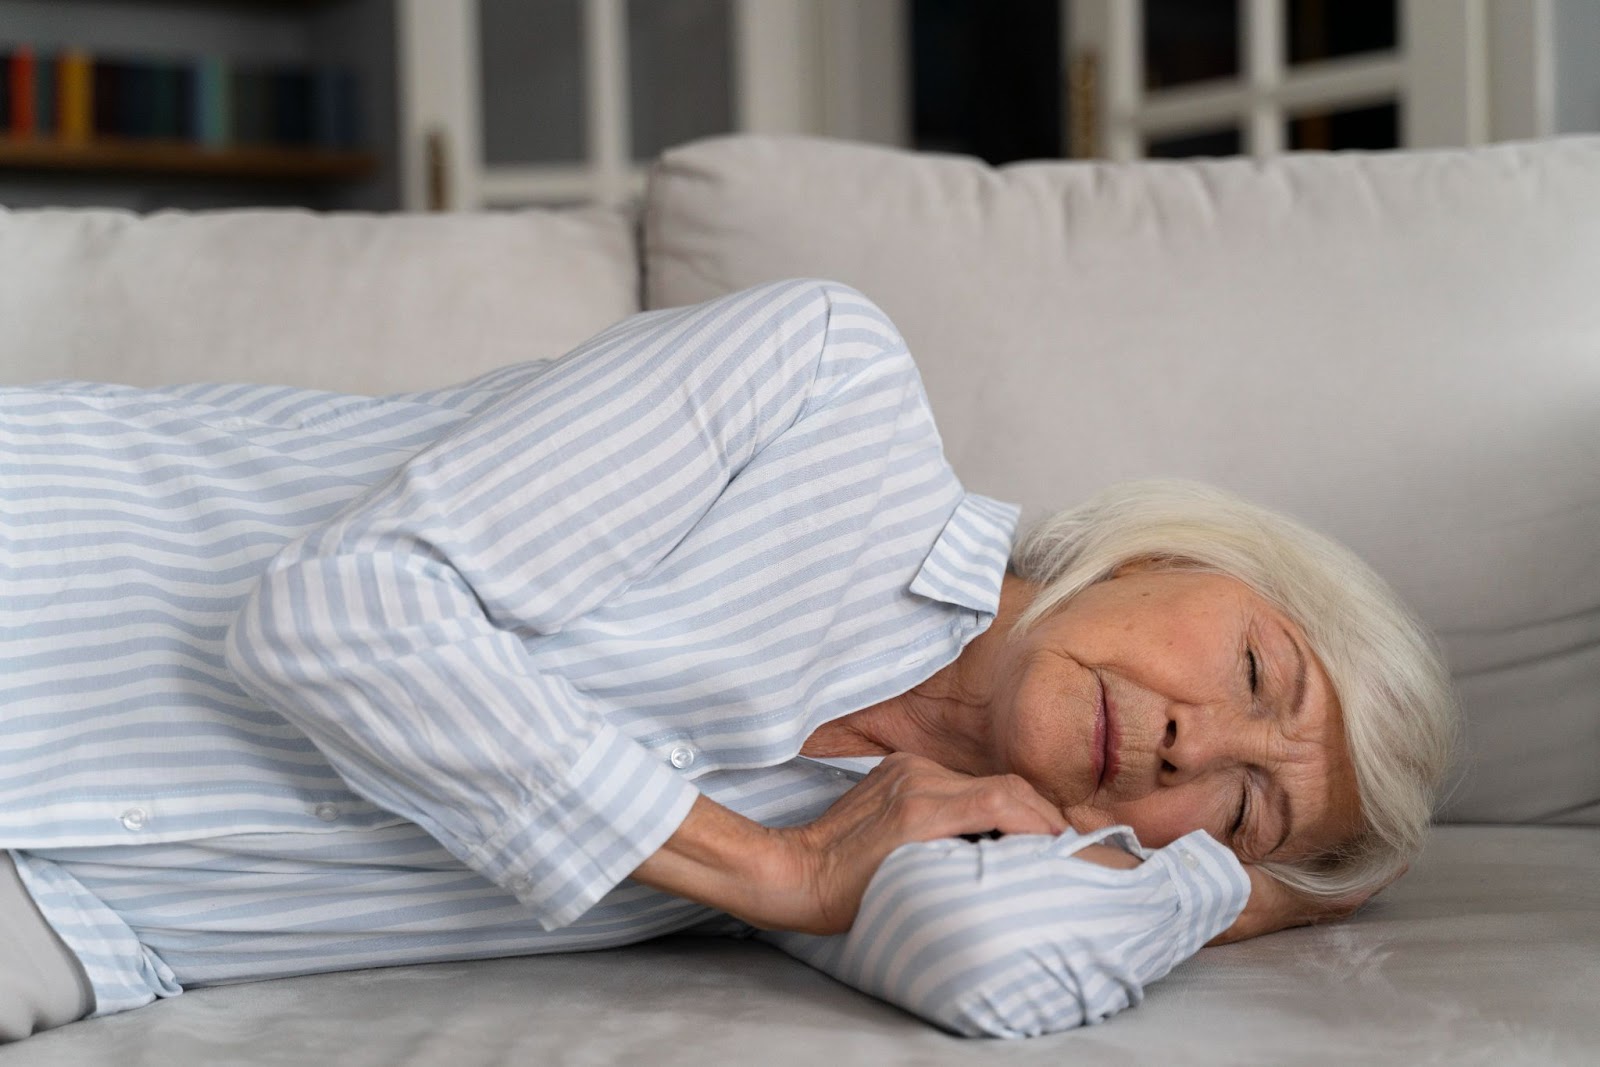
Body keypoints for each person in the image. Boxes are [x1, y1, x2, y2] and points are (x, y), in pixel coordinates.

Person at [0, 279, 1457, 1043]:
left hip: (68, 928)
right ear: (1182, 555)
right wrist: (772, 874)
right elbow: (335, 619)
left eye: (1246, 802)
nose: (1193, 750)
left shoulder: (940, 845)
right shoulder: (824, 386)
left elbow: (991, 970)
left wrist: (1240, 889)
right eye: (1262, 676)